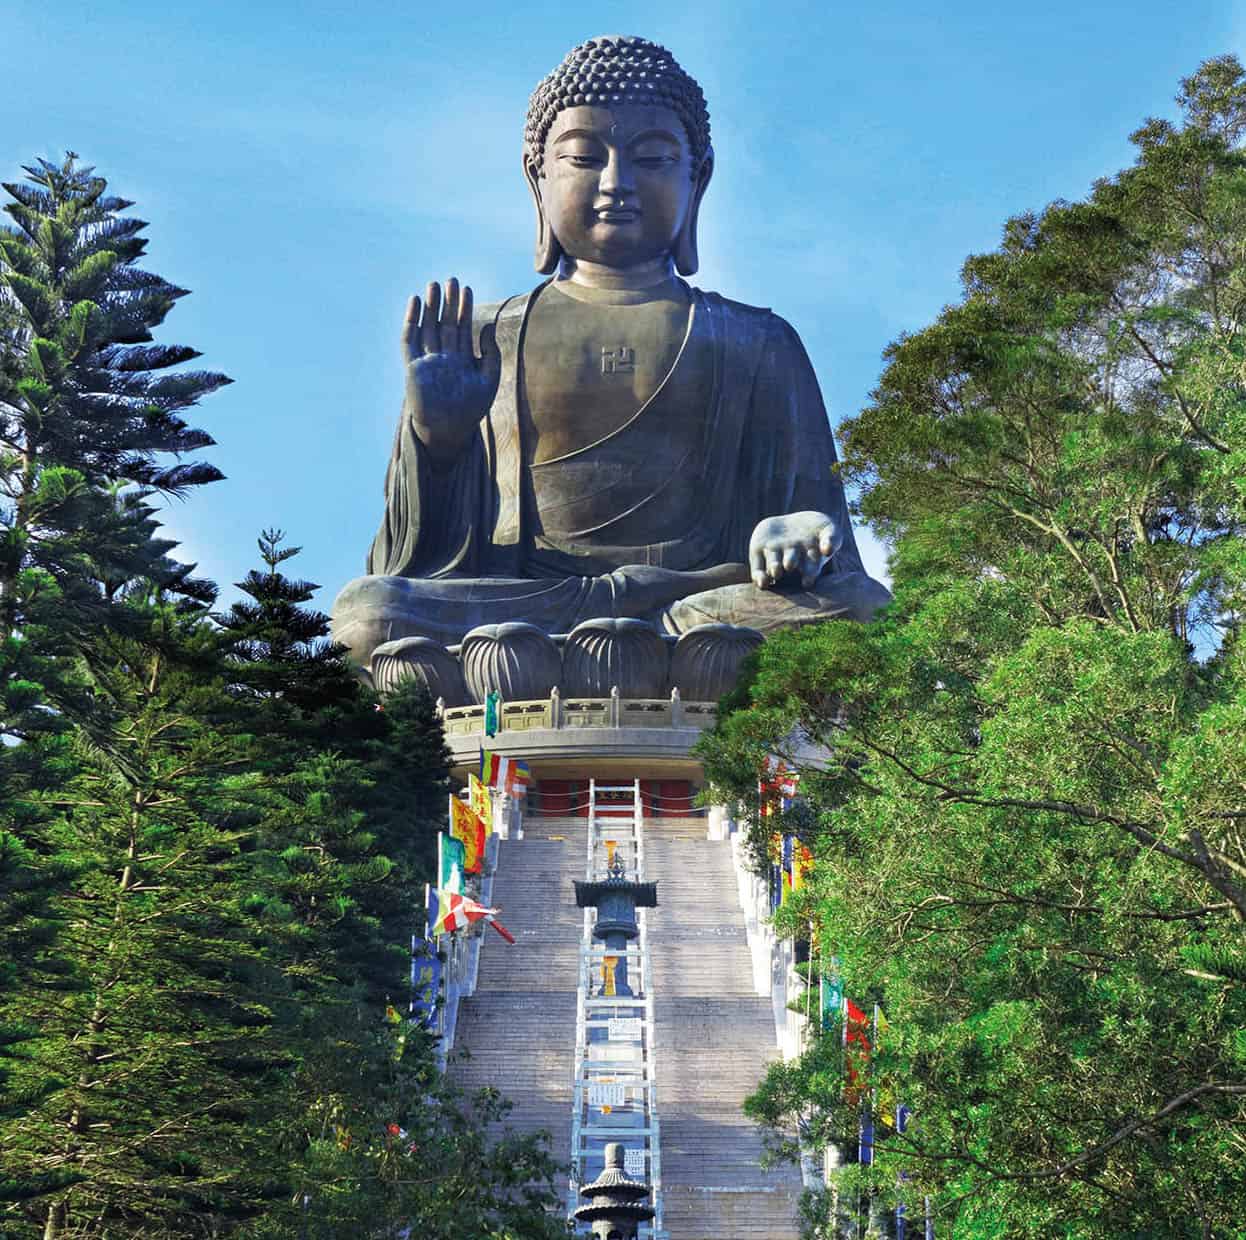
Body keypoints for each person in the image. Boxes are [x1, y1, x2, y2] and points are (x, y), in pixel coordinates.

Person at [332, 35, 890, 666]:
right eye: (583, 158)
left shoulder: (757, 341)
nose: (616, 183)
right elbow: (415, 564)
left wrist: (792, 531)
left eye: (652, 160)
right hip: (530, 608)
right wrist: (438, 445)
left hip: (696, 605)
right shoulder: (487, 336)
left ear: (696, 178)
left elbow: (822, 536)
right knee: (369, 614)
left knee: (860, 610)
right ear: (537, 177)